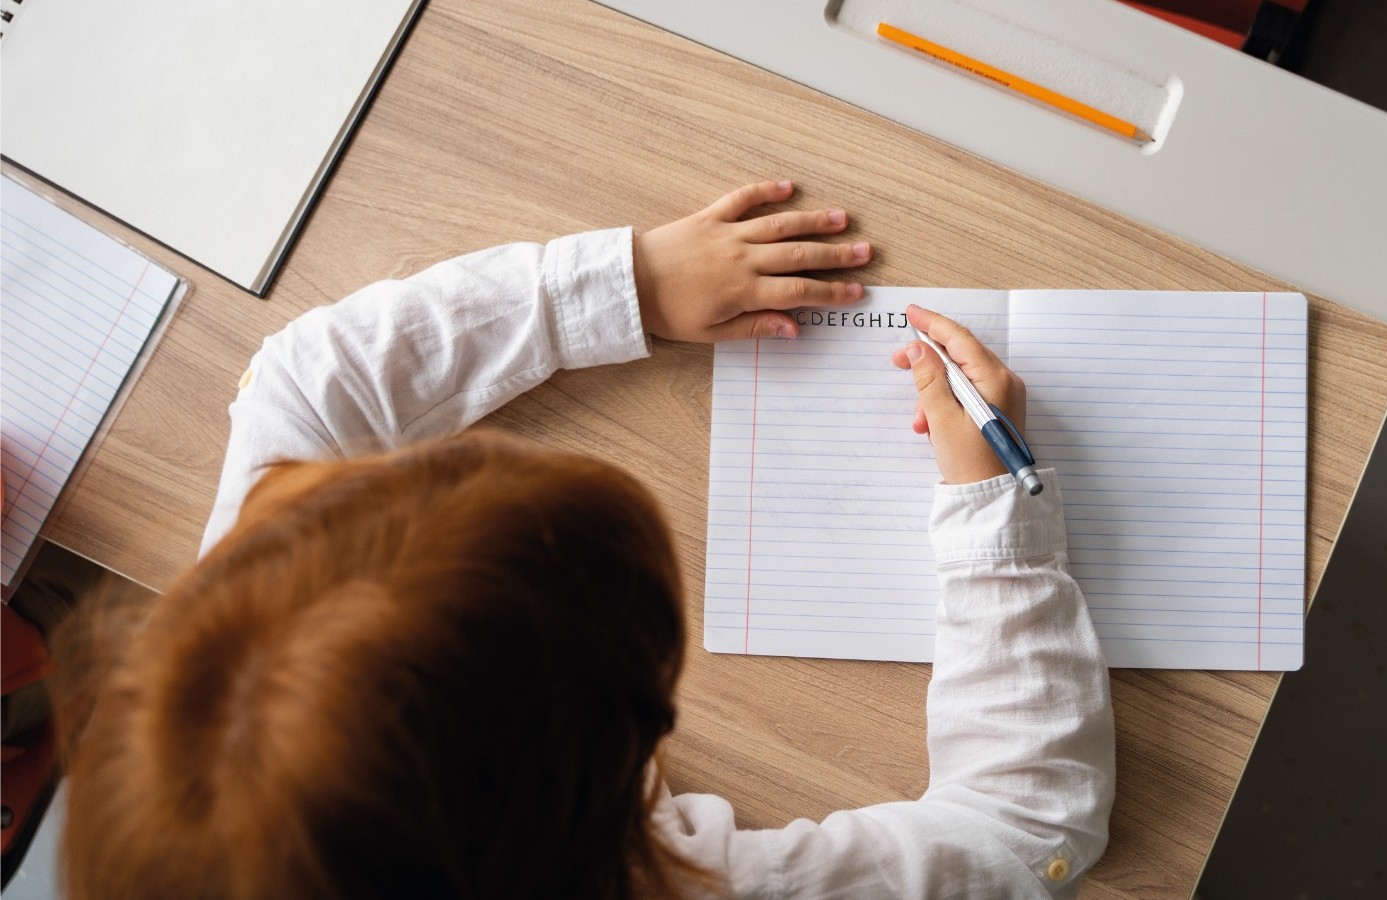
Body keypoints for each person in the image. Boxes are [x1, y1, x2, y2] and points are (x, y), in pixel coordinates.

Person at [51, 180, 1115, 899]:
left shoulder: (223, 678)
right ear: (629, 764)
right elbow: (1030, 829)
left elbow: (299, 382)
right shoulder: (691, 877)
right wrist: (997, 522)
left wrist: (624, 287)